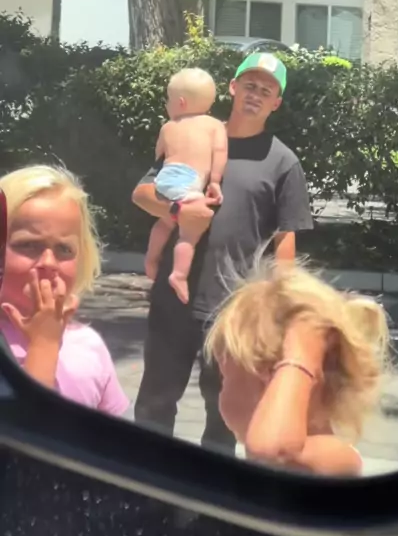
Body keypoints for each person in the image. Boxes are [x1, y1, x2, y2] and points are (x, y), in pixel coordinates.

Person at [131, 52, 313, 451]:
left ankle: (213, 490)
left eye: (266, 90)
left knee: (225, 417)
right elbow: (143, 193)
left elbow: (285, 238)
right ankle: (144, 482)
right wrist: (177, 210)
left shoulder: (283, 162)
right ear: (232, 87)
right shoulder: (195, 134)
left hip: (234, 310)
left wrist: (279, 307)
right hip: (174, 299)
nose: (256, 94)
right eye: (249, 85)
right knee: (154, 404)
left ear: (276, 103)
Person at [204, 258, 390, 476]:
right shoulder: (282, 451)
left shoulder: (338, 457)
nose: (220, 395)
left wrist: (300, 354)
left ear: (270, 377)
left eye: (224, 378)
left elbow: (271, 453)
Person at [0, 164, 129, 416]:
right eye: (28, 245)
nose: (49, 262)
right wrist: (44, 346)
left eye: (64, 249)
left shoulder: (89, 345)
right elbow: (27, 430)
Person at [144, 67, 228, 305]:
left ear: (180, 102)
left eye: (168, 100)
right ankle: (179, 274)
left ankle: (151, 258)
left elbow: (159, 154)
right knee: (189, 233)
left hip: (166, 178)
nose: (166, 105)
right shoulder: (214, 125)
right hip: (190, 180)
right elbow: (219, 152)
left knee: (165, 221)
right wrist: (214, 181)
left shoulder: (168, 126)